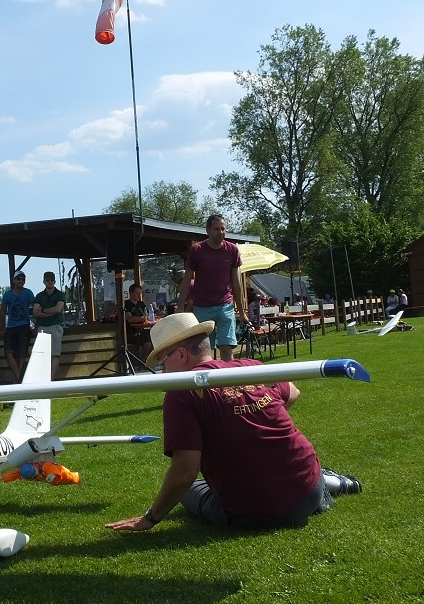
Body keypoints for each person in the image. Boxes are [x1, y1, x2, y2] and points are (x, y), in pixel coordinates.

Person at [106, 313, 361, 534]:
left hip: (255, 513)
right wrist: (247, 416)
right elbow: (293, 392)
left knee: (188, 491)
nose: (162, 372)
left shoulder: (181, 392)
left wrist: (150, 518)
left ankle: (327, 483)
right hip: (308, 488)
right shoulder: (250, 366)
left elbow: (185, 472)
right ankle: (333, 482)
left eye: (163, 363)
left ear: (181, 354)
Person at [176, 214, 250, 360]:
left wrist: (242, 312)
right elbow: (186, 280)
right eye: (216, 229)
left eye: (223, 229)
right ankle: (209, 381)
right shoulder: (197, 250)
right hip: (202, 306)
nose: (220, 232)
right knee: (203, 350)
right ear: (208, 230)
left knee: (227, 346)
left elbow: (236, 282)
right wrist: (180, 307)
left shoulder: (232, 250)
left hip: (225, 306)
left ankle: (228, 381)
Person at [0, 270, 35, 383]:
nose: (21, 281)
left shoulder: (28, 293)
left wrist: (35, 326)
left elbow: (36, 308)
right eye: (18, 279)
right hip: (11, 326)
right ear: (14, 281)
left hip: (24, 325)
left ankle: (18, 380)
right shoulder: (7, 295)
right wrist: (2, 328)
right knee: (8, 352)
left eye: (23, 279)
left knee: (22, 354)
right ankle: (19, 378)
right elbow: (2, 311)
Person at [32, 271, 66, 378]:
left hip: (56, 326)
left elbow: (58, 309)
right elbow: (35, 312)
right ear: (44, 281)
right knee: (42, 355)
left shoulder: (60, 294)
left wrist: (43, 310)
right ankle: (44, 378)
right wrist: (49, 313)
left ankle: (51, 378)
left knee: (55, 354)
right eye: (48, 280)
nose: (50, 282)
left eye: (52, 280)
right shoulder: (39, 295)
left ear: (55, 281)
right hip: (42, 328)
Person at [123, 283, 152, 362]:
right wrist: (142, 318)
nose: (139, 296)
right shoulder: (126, 304)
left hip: (143, 330)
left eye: (141, 293)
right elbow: (129, 319)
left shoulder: (141, 304)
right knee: (148, 340)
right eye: (137, 293)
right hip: (131, 332)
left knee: (153, 335)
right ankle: (142, 361)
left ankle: (145, 360)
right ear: (131, 293)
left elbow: (147, 316)